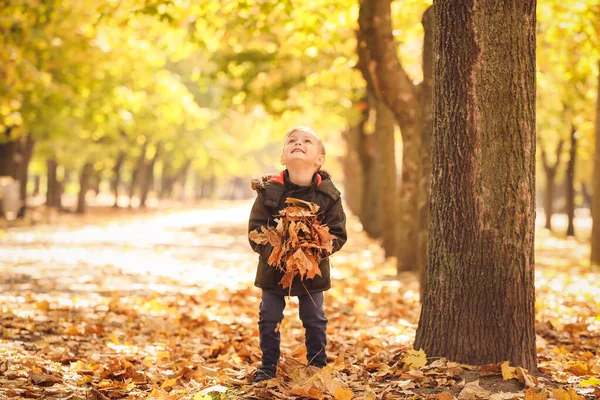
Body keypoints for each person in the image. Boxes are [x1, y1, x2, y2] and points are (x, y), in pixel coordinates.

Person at [248, 126, 347, 383]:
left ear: (319, 160)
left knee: (314, 318)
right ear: (283, 157)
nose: (298, 143)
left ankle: (317, 366)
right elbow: (256, 230)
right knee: (269, 316)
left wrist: (315, 249)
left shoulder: (328, 195)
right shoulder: (269, 192)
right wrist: (277, 250)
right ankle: (268, 365)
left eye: (306, 141)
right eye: (292, 141)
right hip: (274, 269)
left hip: (311, 269)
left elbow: (337, 232)